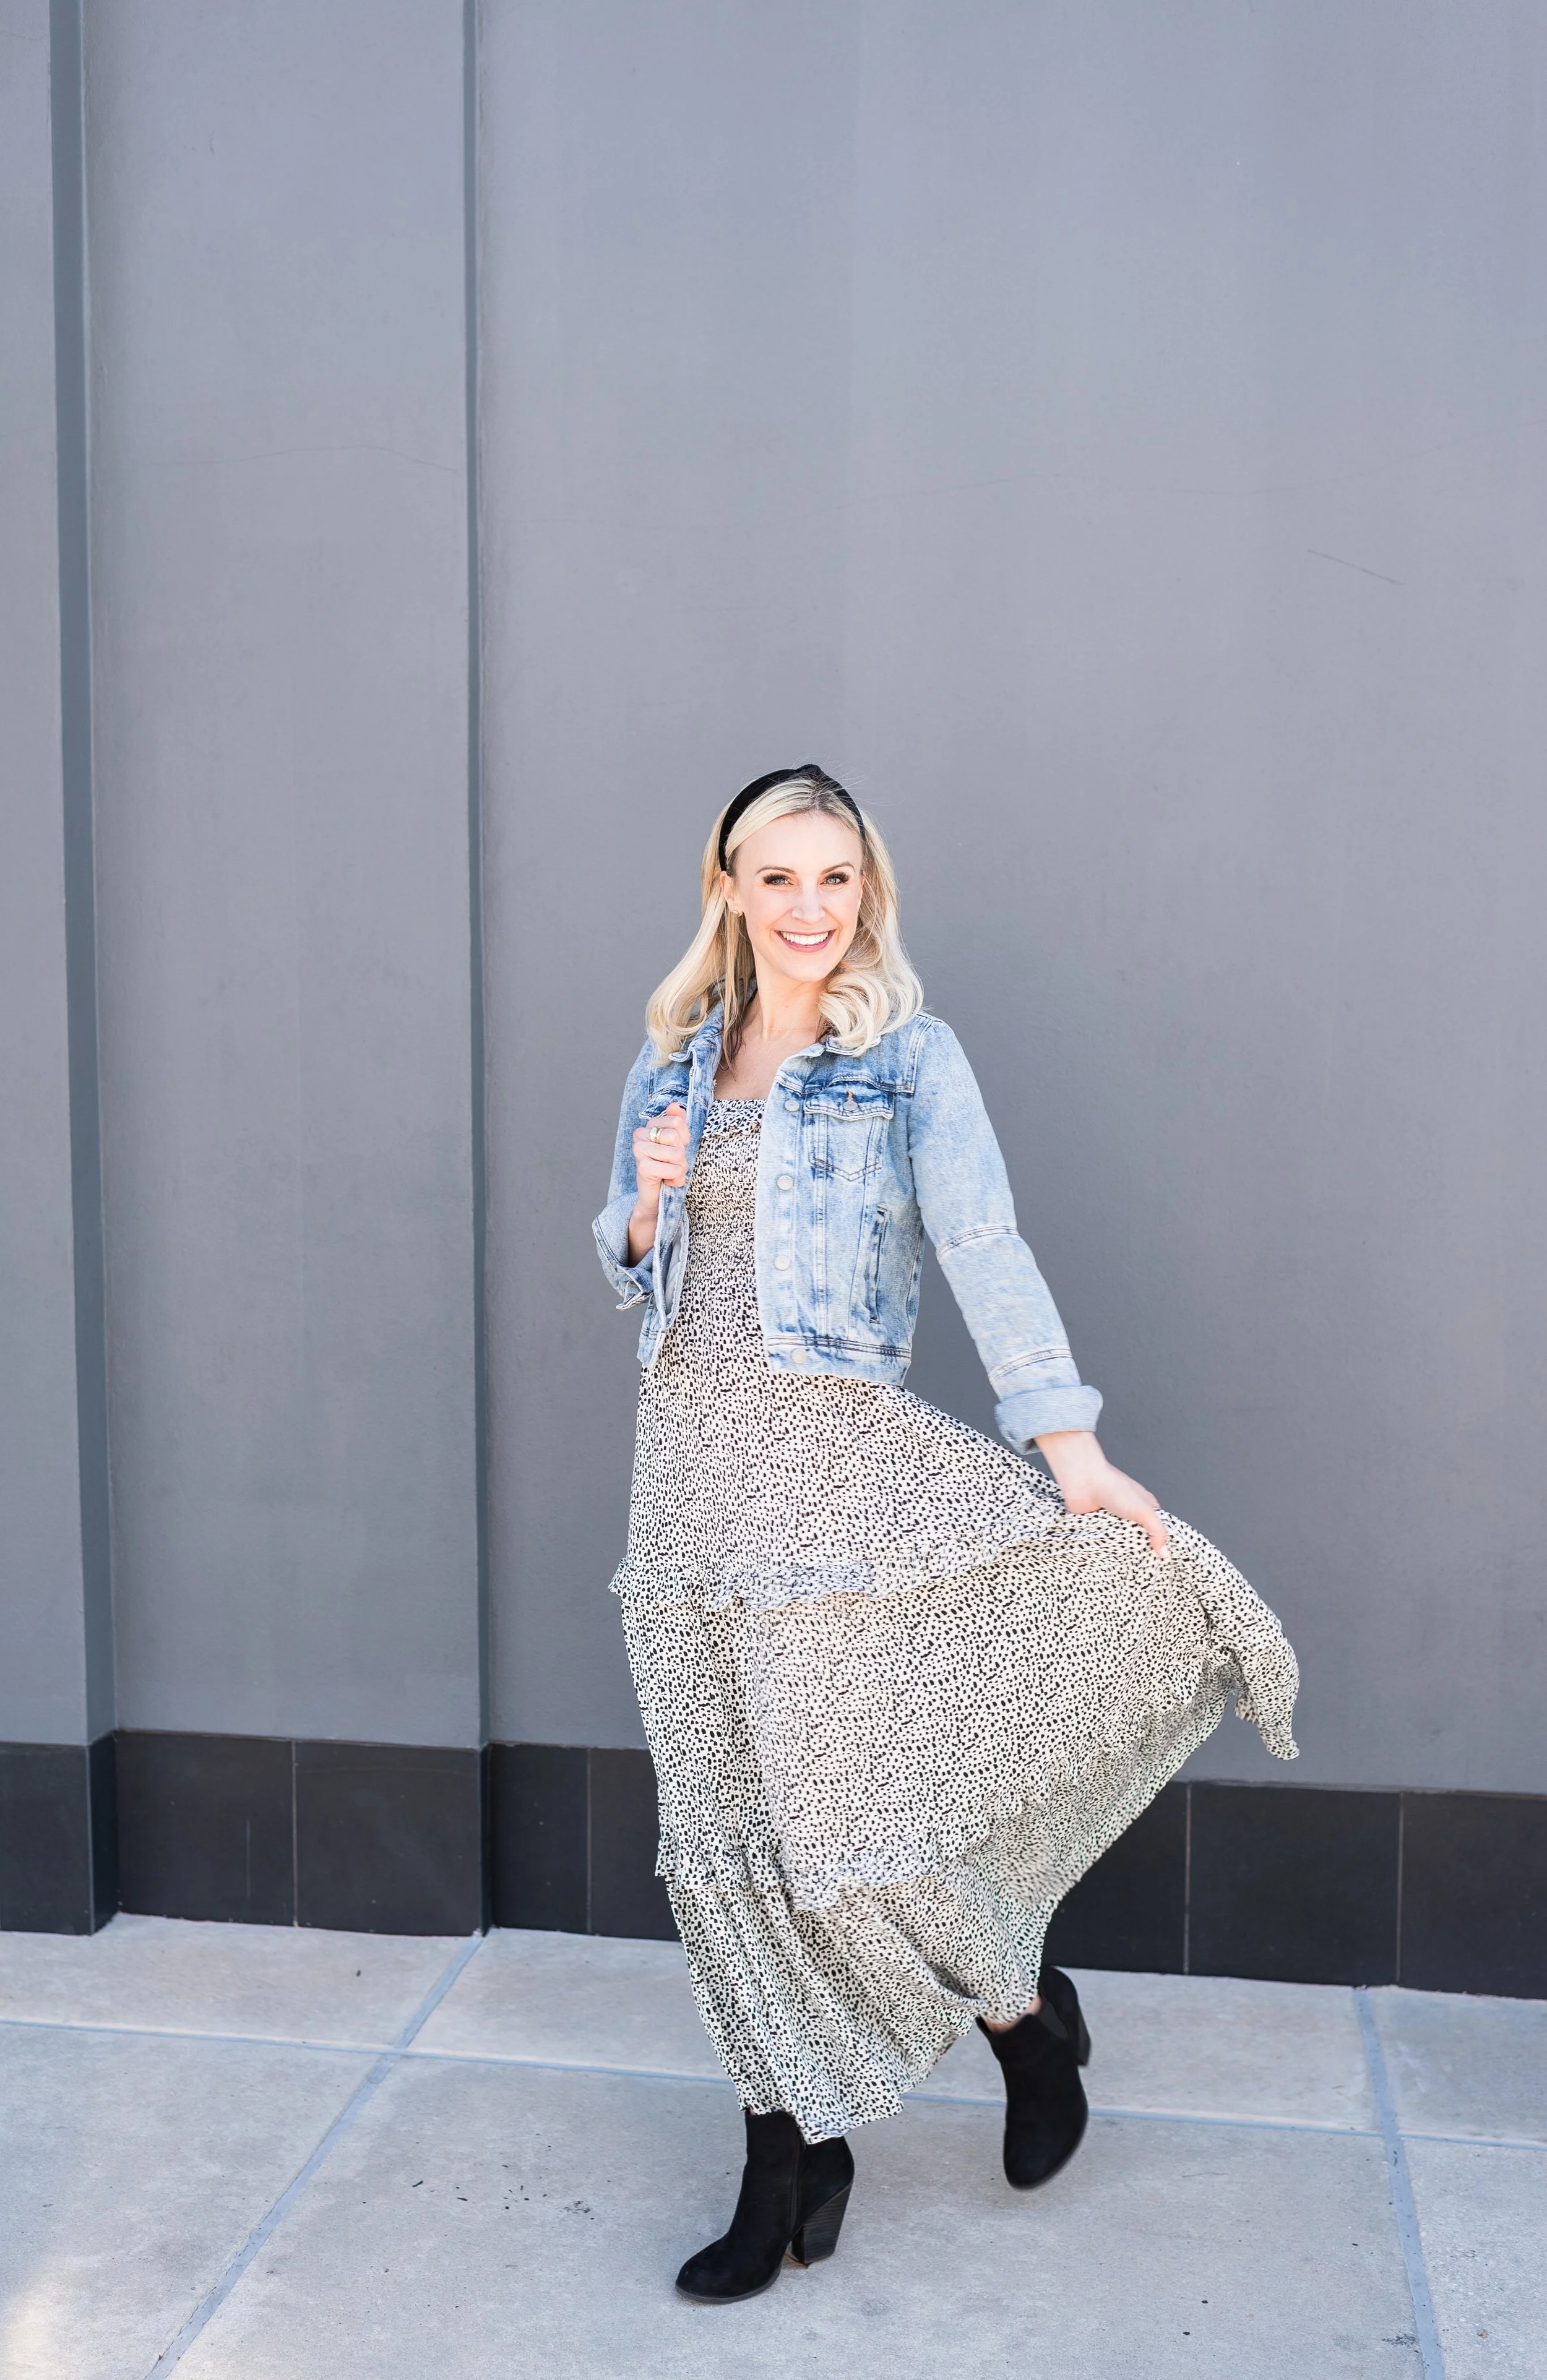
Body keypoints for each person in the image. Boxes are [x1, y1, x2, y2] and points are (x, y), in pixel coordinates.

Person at [593, 765, 1298, 2305]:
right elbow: (626, 1260)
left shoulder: (905, 1060)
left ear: (867, 892)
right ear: (725, 887)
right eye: (776, 880)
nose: (807, 911)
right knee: (728, 1837)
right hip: (686, 1480)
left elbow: (982, 1244)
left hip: (829, 1473)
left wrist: (1070, 1446)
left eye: (834, 880)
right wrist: (646, 1211)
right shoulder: (672, 1059)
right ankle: (786, 2159)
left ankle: (1023, 2022)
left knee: (844, 1845)